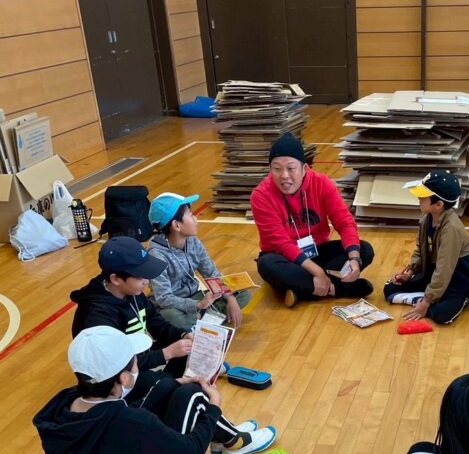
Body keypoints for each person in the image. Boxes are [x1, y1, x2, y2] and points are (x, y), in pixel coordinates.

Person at [33, 327, 278, 454]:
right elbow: (192, 452)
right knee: (194, 396)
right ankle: (235, 441)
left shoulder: (59, 409)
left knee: (169, 388)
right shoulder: (129, 423)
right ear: (124, 378)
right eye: (135, 361)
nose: (137, 365)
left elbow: (122, 424)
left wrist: (170, 385)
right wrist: (214, 407)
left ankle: (228, 436)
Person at [251, 132, 375, 308]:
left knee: (364, 250)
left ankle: (301, 288)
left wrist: (355, 259)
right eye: (276, 169)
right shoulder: (261, 195)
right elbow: (281, 243)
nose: (284, 175)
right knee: (266, 265)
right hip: (284, 256)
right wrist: (318, 272)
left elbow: (345, 222)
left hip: (317, 250)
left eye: (291, 168)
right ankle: (338, 288)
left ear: (304, 169)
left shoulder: (322, 183)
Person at [71, 236, 193, 378]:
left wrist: (182, 335)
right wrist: (167, 353)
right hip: (119, 377)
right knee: (181, 384)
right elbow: (117, 365)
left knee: (189, 354)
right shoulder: (97, 316)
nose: (146, 281)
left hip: (138, 358)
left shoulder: (132, 291)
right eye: (140, 276)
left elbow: (157, 323)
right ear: (115, 279)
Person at [382, 170, 469, 325]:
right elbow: (421, 249)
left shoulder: (451, 229)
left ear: (438, 205)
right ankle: (429, 298)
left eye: (423, 196)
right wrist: (410, 271)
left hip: (456, 282)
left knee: (442, 315)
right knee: (389, 289)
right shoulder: (427, 218)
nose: (419, 199)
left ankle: (437, 299)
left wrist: (427, 301)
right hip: (432, 273)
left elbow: (444, 269)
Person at [147, 192, 252, 330]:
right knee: (172, 318)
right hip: (173, 306)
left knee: (243, 294)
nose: (196, 219)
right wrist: (198, 305)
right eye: (191, 215)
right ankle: (208, 319)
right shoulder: (156, 255)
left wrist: (230, 298)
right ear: (176, 225)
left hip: (196, 297)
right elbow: (164, 298)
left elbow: (212, 273)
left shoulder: (193, 241)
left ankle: (200, 321)